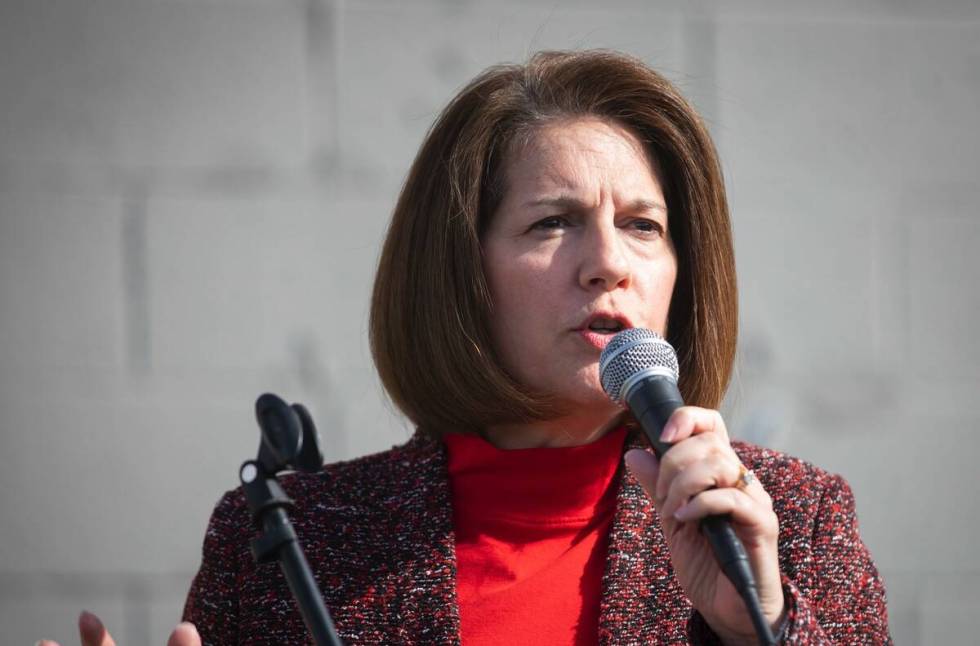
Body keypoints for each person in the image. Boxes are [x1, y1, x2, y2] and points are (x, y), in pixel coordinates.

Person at [40, 49, 891, 645]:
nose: (608, 265)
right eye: (553, 223)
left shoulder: (793, 523)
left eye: (643, 226)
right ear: (460, 272)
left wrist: (765, 625)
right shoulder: (283, 543)